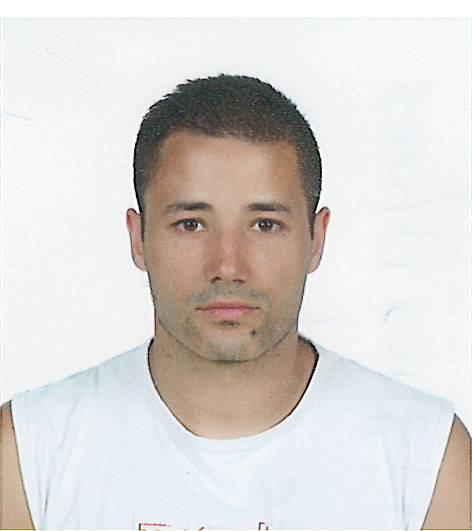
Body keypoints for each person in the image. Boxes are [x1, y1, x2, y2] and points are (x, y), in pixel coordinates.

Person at [1, 74, 470, 531]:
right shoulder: (29, 454)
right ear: (138, 238)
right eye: (191, 224)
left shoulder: (424, 457)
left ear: (316, 239)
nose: (227, 266)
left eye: (265, 225)